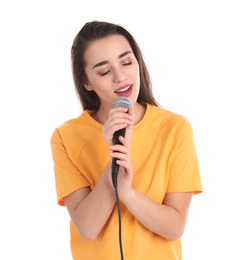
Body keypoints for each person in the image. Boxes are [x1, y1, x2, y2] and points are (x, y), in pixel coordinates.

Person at [50, 20, 203, 260]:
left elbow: (174, 228)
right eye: (104, 71)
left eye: (126, 62)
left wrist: (128, 192)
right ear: (86, 83)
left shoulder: (175, 128)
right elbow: (88, 229)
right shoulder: (66, 136)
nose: (121, 77)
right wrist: (114, 165)